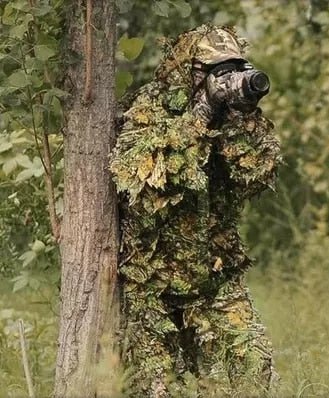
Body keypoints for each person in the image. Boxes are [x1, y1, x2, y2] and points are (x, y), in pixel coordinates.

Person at [110, 24, 281, 398]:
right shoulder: (149, 110)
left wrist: (241, 114)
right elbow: (145, 178)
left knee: (255, 367)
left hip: (214, 280)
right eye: (219, 72)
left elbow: (258, 172)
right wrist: (201, 113)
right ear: (191, 73)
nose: (228, 80)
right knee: (158, 390)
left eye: (235, 69)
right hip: (152, 288)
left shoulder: (234, 120)